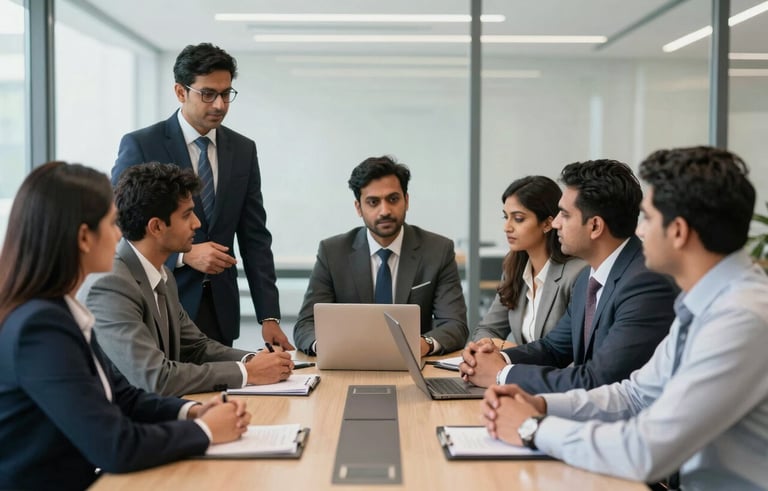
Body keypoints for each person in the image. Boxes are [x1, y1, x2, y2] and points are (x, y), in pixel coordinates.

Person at [480, 146, 768, 490]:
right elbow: (633, 395)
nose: (639, 231)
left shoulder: (741, 318)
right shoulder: (705, 302)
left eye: (647, 217)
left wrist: (532, 427)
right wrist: (540, 403)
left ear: (677, 231)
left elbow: (646, 449)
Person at [0, 162, 251, 490]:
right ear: (83, 238)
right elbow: (116, 446)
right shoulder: (40, 328)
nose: (120, 233)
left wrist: (193, 411)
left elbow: (124, 397)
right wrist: (205, 431)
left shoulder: (60, 310)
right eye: (111, 222)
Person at [112, 42, 291, 349]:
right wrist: (182, 256)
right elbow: (120, 225)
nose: (219, 104)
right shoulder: (142, 144)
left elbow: (255, 237)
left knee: (222, 392)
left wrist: (269, 316)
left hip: (219, 309)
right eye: (208, 94)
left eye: (226, 94)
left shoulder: (243, 150)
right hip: (160, 300)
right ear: (181, 92)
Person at [460, 160, 677, 392]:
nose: (555, 223)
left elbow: (597, 380)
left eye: (564, 214)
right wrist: (497, 358)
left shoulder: (645, 283)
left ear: (595, 226)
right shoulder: (590, 278)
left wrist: (501, 374)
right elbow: (554, 348)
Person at [78, 163, 293, 397]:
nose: (197, 224)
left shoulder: (163, 276)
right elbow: (155, 378)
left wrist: (256, 360)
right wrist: (247, 372)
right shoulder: (110, 284)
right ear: (156, 226)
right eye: (187, 214)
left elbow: (196, 347)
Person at [293, 156, 468, 357]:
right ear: (358, 207)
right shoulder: (332, 252)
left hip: (415, 365)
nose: (385, 211)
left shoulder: (438, 250)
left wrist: (423, 344)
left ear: (406, 200)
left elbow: (455, 325)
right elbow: (306, 325)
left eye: (393, 199)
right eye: (373, 202)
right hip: (349, 365)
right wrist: (327, 347)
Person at [471, 176, 586, 346]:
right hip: (518, 369)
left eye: (518, 219)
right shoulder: (514, 270)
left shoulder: (577, 274)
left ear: (547, 224)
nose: (507, 227)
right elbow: (487, 329)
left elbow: (574, 352)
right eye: (506, 217)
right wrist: (489, 348)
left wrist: (512, 353)